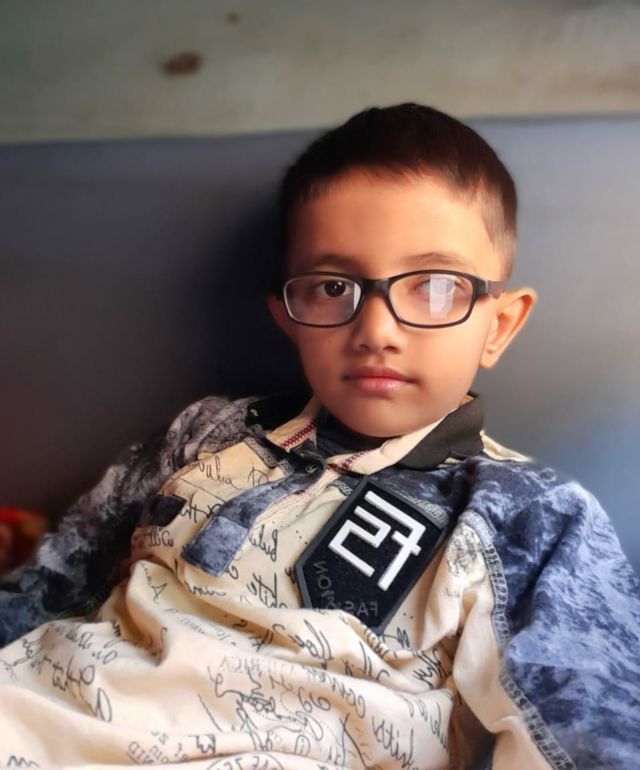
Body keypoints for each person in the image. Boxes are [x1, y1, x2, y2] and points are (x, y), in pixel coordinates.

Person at [0, 103, 638, 770]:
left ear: (498, 326)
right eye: (334, 286)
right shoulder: (207, 432)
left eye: (435, 286)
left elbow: (591, 735)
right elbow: (51, 587)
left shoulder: (530, 516)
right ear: (289, 317)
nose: (377, 331)